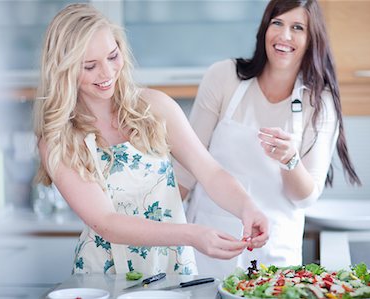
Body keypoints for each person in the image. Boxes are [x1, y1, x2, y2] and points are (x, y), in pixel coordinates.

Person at [33, 3, 269, 275]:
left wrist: (247, 207)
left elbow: (210, 172)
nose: (107, 73)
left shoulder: (154, 107)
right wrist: (191, 234)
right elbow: (106, 222)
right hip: (104, 278)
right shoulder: (58, 139)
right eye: (90, 66)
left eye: (112, 56)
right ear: (65, 69)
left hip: (171, 269)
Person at [175, 0, 361, 277]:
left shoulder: (319, 102)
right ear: (264, 29)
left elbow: (305, 197)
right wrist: (158, 233)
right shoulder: (224, 77)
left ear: (311, 39)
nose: (284, 36)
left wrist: (290, 160)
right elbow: (187, 167)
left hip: (275, 251)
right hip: (211, 242)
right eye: (277, 23)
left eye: (297, 27)